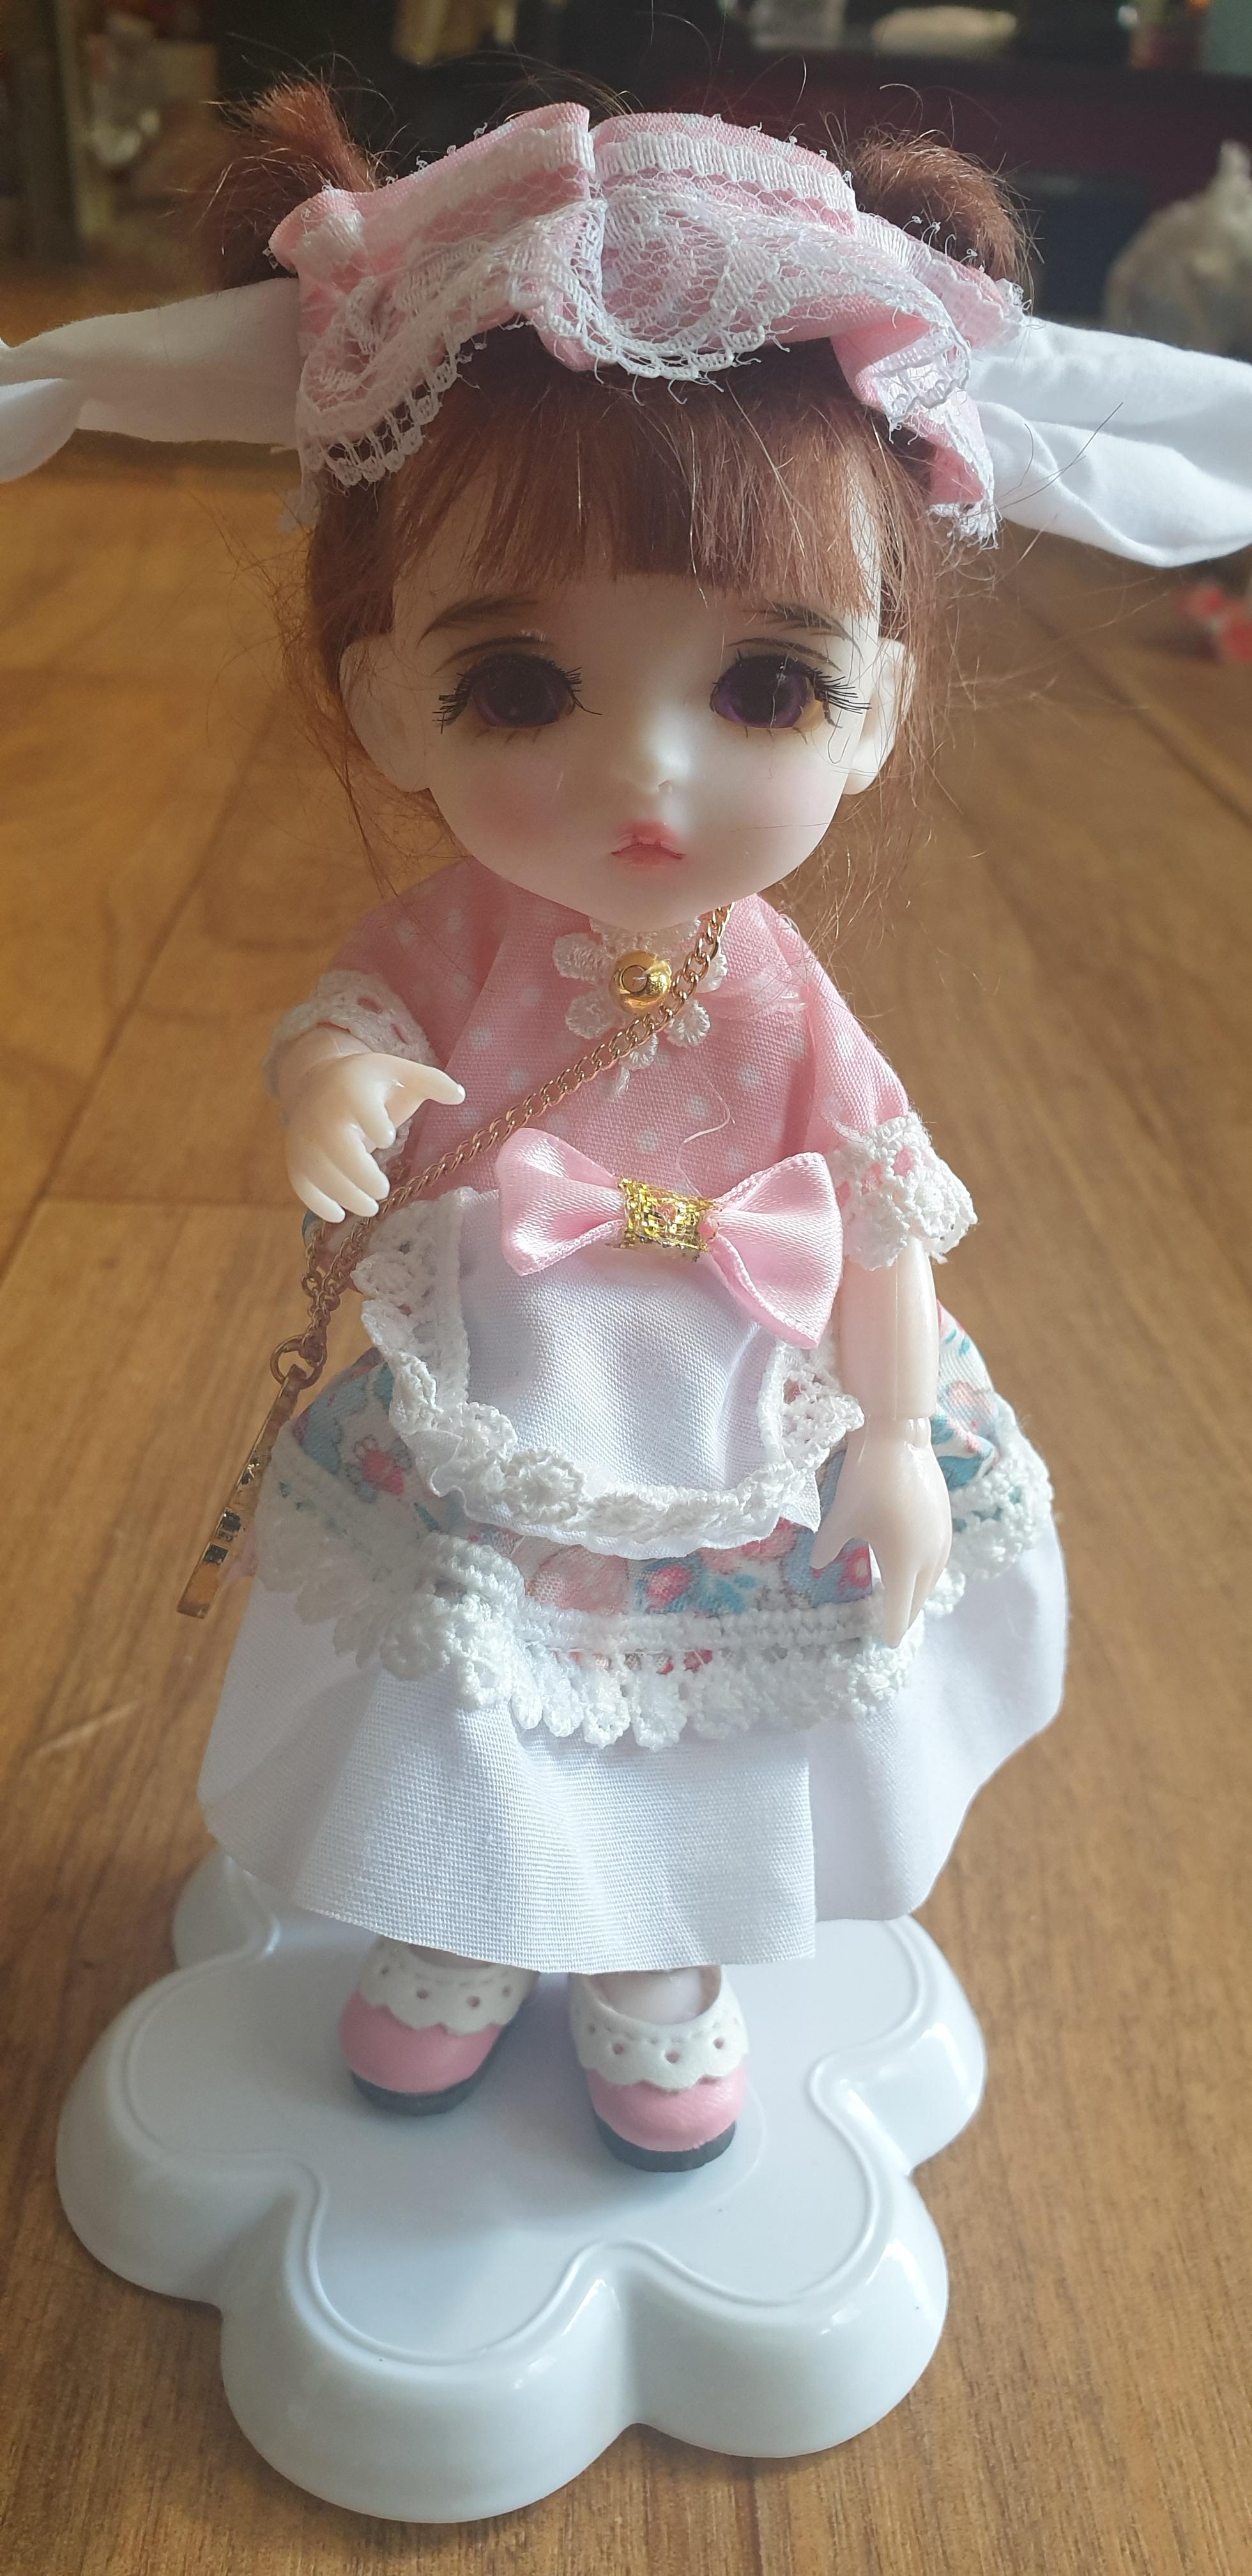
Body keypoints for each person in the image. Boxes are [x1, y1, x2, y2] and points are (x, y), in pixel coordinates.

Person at [3, 86, 1249, 2173]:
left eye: (765, 686)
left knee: (707, 1707)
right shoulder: (460, 936)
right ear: (387, 700)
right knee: (466, 1663)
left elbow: (876, 1203)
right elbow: (363, 1009)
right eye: (521, 688)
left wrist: (886, 1430)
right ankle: (463, 1913)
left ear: (875, 708)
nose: (645, 780)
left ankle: (660, 1955)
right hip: (504, 1365)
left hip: (741, 1393)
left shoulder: (780, 988)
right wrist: (332, 1079)